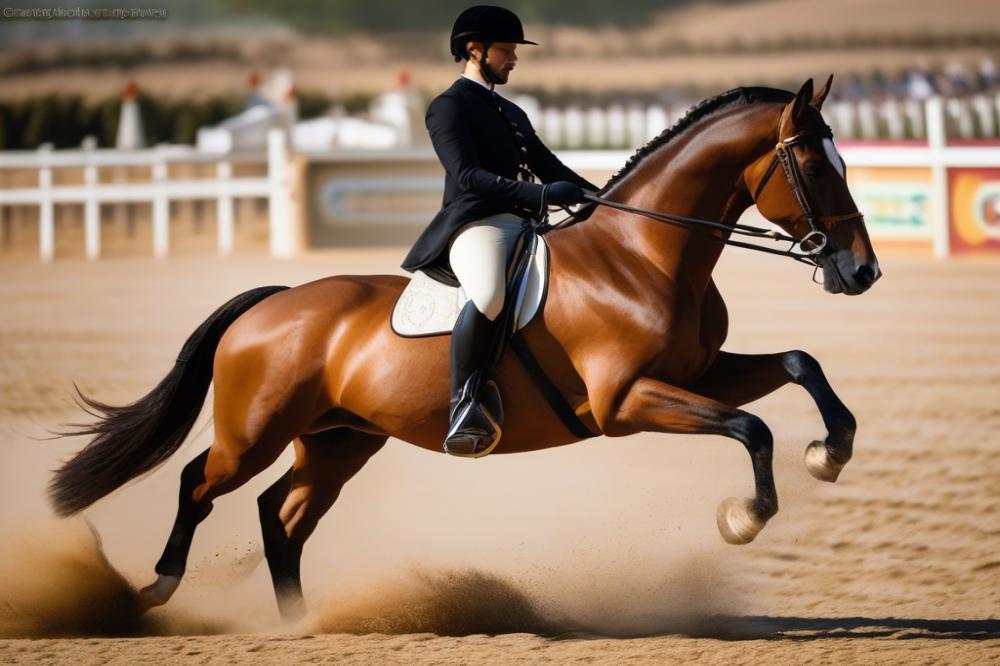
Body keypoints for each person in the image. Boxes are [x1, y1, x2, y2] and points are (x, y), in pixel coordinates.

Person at [400, 5, 599, 458]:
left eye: (513, 51)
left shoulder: (509, 110)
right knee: (489, 294)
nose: (513, 59)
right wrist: (543, 195)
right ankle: (464, 405)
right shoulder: (448, 106)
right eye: (506, 50)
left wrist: (603, 199)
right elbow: (466, 175)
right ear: (475, 50)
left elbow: (550, 166)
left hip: (525, 224)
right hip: (476, 223)